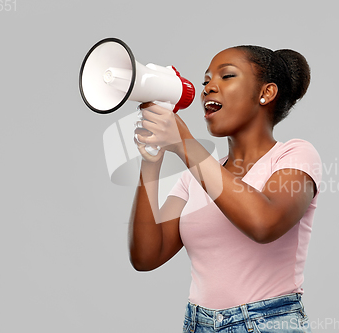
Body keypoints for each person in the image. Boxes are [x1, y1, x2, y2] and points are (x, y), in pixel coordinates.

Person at [128, 45, 322, 333]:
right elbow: (146, 256)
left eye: (227, 76)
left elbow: (263, 223)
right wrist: (151, 161)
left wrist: (185, 145)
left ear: (266, 93)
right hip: (198, 324)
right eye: (206, 81)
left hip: (268, 323)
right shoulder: (196, 175)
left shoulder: (295, 156)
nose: (208, 88)